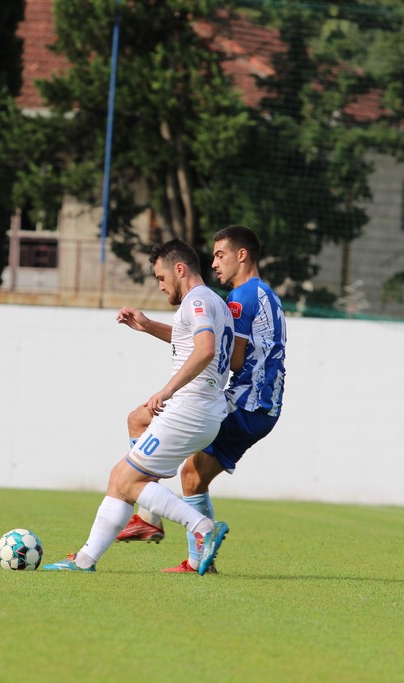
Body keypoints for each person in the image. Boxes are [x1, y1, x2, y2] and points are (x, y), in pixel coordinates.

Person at [42, 239, 233, 575]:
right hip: (202, 411)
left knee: (128, 481)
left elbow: (205, 349)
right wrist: (147, 326)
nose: (160, 286)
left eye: (161, 277)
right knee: (127, 452)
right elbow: (189, 338)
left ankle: (201, 527)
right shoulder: (212, 301)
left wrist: (167, 390)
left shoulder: (196, 300)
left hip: (189, 410)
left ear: (179, 269)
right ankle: (86, 559)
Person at [116, 225, 286, 574]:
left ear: (242, 255)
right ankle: (196, 559)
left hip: (247, 402)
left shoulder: (240, 299)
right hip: (264, 405)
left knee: (144, 423)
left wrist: (172, 386)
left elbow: (229, 358)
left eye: (220, 254)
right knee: (192, 475)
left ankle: (149, 517)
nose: (214, 263)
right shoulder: (266, 293)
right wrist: (150, 326)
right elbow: (210, 344)